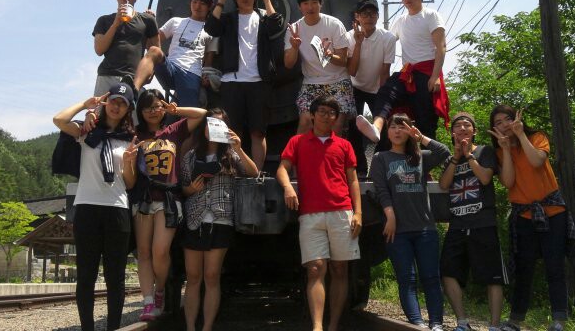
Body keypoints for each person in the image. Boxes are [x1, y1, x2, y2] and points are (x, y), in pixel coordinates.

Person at [489, 106, 575, 331]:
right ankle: (515, 320)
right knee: (524, 268)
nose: (504, 125)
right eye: (498, 123)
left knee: (555, 265)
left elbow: (537, 161)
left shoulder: (537, 137)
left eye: (507, 119)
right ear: (494, 129)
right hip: (523, 215)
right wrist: (506, 149)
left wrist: (521, 135)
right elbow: (508, 182)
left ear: (516, 119)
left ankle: (558, 321)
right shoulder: (500, 152)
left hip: (553, 212)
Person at [52, 83, 137, 331]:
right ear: (105, 102)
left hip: (117, 208)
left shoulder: (129, 139)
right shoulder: (86, 130)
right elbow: (59, 120)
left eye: (122, 103)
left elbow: (130, 183)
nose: (116, 106)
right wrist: (85, 104)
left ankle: (113, 327)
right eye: (113, 100)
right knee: (86, 275)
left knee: (115, 276)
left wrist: (129, 163)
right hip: (87, 207)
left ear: (128, 109)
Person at [276, 95, 362, 331]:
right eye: (322, 111)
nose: (326, 116)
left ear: (336, 118)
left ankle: (332, 325)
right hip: (310, 214)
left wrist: (358, 213)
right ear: (312, 115)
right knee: (315, 268)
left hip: (341, 211)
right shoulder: (297, 141)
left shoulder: (344, 145)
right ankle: (317, 327)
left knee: (340, 269)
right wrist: (288, 188)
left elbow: (353, 180)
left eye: (331, 112)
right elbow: (282, 168)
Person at [127, 89, 207, 321]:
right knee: (143, 252)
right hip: (143, 198)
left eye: (156, 106)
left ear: (163, 107)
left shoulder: (173, 130)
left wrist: (175, 109)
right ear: (140, 112)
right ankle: (148, 302)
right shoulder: (136, 134)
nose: (152, 111)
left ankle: (160, 289)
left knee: (160, 251)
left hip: (168, 199)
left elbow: (201, 114)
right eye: (147, 108)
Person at [180, 108, 259, 331]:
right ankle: (190, 327)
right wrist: (191, 189)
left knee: (212, 275)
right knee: (193, 276)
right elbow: (182, 187)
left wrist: (239, 147)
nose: (213, 128)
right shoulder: (191, 156)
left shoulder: (231, 154)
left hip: (221, 218)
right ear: (204, 128)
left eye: (219, 124)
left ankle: (207, 327)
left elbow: (253, 172)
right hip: (194, 218)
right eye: (210, 124)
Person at [370, 114, 450, 330]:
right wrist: (390, 216)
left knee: (431, 277)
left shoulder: (421, 157)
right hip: (397, 230)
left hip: (425, 228)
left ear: (409, 131)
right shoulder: (381, 158)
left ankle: (436, 323)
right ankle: (417, 324)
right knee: (407, 279)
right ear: (387, 132)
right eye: (393, 127)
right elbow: (381, 190)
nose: (397, 131)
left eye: (402, 127)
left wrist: (421, 137)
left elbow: (444, 152)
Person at [356, 0, 448, 143]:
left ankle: (429, 156)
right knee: (386, 91)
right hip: (407, 74)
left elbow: (441, 47)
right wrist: (363, 36)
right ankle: (377, 126)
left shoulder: (431, 15)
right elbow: (384, 41)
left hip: (427, 73)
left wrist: (435, 77)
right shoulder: (400, 21)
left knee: (424, 118)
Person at [205, 0, 284, 170]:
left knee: (258, 132)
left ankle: (256, 173)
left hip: (259, 81)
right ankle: (236, 171)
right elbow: (211, 28)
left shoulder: (263, 17)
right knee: (234, 131)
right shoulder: (228, 19)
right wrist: (220, 1)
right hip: (231, 81)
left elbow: (276, 24)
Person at [438, 112, 507, 331]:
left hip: (483, 222)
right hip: (458, 224)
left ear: (474, 131)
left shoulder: (484, 151)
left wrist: (469, 156)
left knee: (493, 276)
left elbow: (485, 178)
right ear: (453, 133)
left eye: (467, 125)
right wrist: (457, 157)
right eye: (457, 126)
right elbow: (444, 184)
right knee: (447, 272)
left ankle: (494, 326)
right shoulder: (450, 159)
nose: (462, 129)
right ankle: (462, 322)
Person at [284, 0, 355, 135]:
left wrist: (328, 55)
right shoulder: (294, 29)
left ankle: (333, 151)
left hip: (338, 80)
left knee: (335, 124)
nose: (310, 7)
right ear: (300, 7)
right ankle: (299, 151)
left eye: (314, 2)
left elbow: (344, 61)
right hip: (311, 82)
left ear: (320, 4)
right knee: (305, 120)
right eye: (306, 3)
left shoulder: (334, 24)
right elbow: (288, 64)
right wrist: (295, 47)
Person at [133, 0, 217, 107]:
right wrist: (150, 23)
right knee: (154, 51)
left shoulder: (211, 31)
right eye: (194, 2)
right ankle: (134, 91)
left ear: (209, 6)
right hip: (170, 68)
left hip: (191, 73)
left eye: (202, 4)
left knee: (189, 112)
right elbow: (150, 44)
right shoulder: (175, 21)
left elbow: (209, 60)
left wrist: (206, 76)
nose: (197, 6)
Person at [345, 0, 397, 174]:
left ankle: (379, 167)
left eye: (373, 13)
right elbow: (352, 71)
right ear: (357, 17)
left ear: (378, 16)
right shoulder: (349, 37)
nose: (369, 17)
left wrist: (382, 99)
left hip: (378, 88)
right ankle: (359, 168)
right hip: (355, 86)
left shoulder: (388, 38)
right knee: (353, 126)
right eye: (365, 14)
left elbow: (385, 71)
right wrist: (359, 43)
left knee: (384, 128)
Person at [92, 0, 159, 95]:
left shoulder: (147, 20)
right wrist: (115, 24)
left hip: (135, 79)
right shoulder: (104, 20)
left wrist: (150, 74)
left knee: (133, 108)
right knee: (102, 108)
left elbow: (156, 52)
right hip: (107, 76)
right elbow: (99, 50)